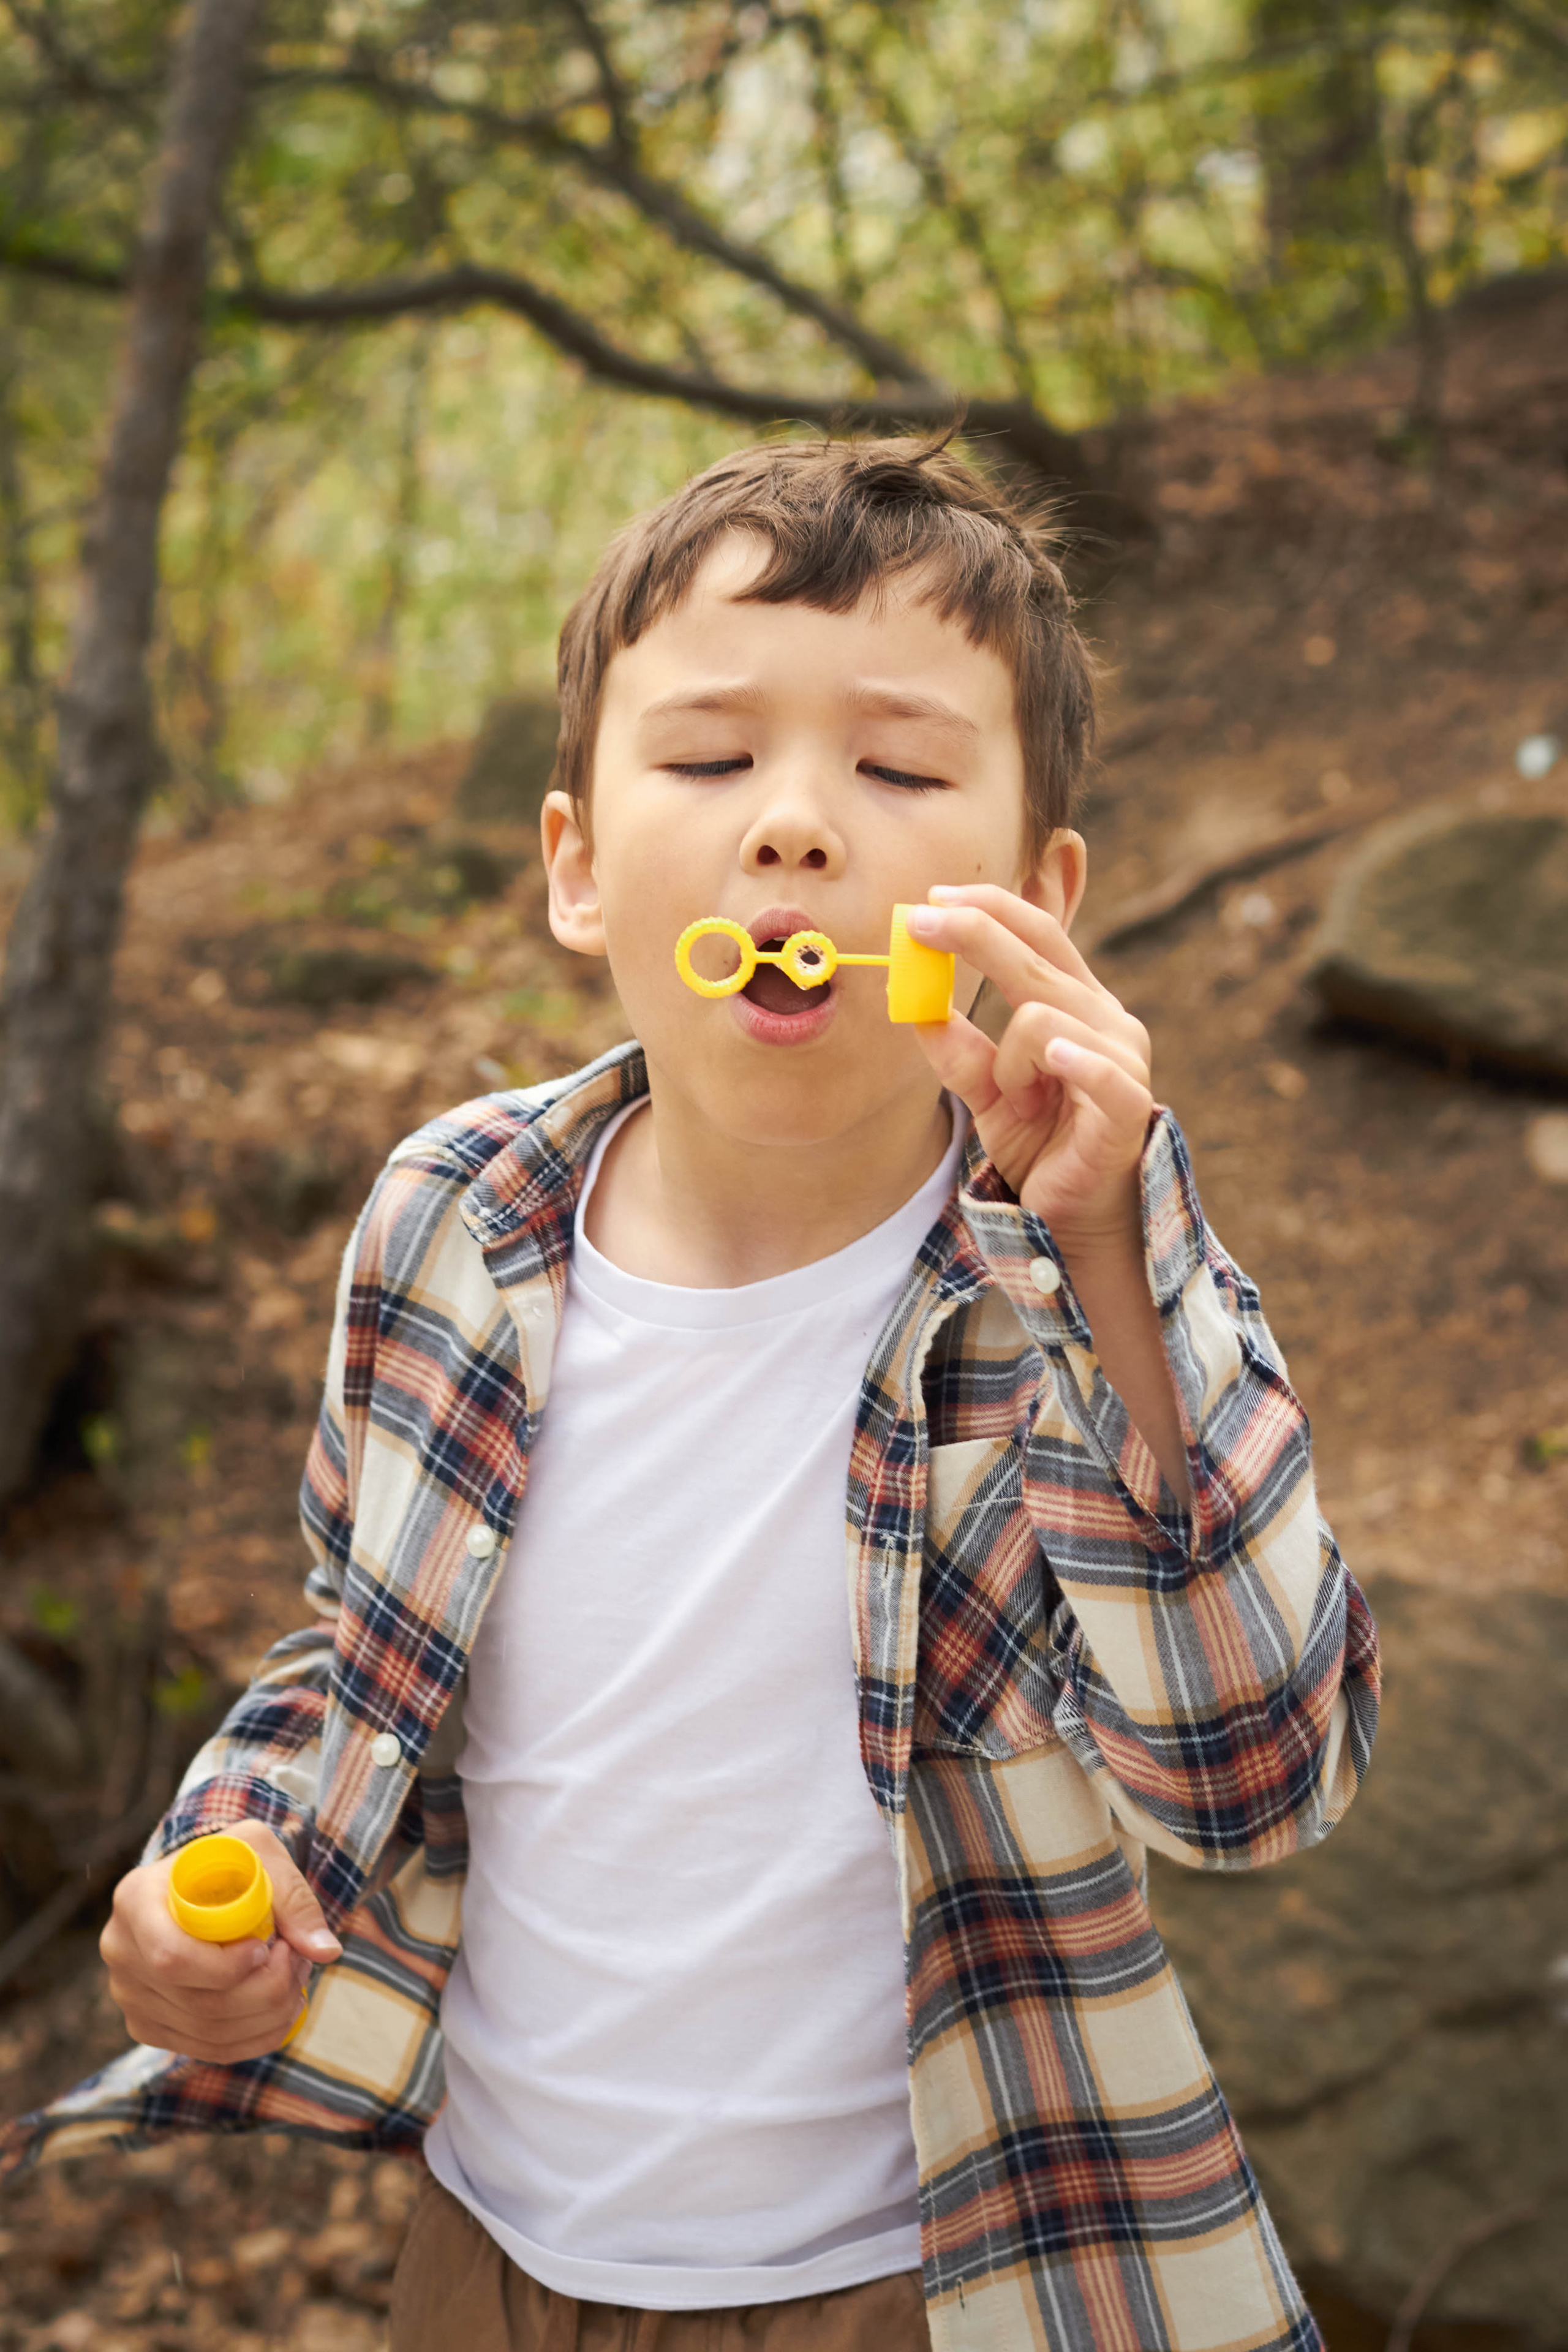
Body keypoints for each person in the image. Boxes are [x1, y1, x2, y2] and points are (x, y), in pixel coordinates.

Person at [2, 437, 1381, 2352]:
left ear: (1036, 902)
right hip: (493, 2258)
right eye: (713, 759)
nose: (798, 830)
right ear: (577, 867)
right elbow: (364, 1659)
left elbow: (1257, 1784)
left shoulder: (1079, 1287)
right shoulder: (450, 1227)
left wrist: (1116, 1277)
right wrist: (225, 1861)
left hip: (934, 2281)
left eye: (898, 772)